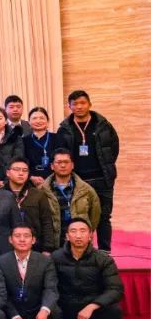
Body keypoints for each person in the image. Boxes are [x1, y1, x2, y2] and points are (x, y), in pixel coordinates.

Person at [56, 90, 119, 252]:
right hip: (78, 180)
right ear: (69, 106)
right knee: (79, 217)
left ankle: (105, 252)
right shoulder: (64, 129)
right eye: (75, 104)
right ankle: (82, 252)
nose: (79, 106)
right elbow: (60, 153)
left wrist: (107, 166)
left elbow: (113, 148)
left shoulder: (103, 125)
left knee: (104, 216)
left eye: (82, 103)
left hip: (102, 178)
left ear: (89, 104)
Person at [52, 219, 123, 319]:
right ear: (67, 236)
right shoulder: (56, 258)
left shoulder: (103, 259)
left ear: (91, 235)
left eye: (83, 231)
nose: (78, 235)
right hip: (68, 311)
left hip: (93, 310)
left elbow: (115, 289)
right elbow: (49, 287)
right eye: (73, 231)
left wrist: (92, 306)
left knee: (114, 310)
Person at [0, 225, 61, 319]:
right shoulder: (1, 261)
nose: (22, 239)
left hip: (37, 310)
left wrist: (44, 310)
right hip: (15, 311)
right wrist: (15, 316)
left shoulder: (45, 261)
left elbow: (51, 289)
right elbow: (2, 293)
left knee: (55, 311)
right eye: (17, 236)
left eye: (26, 236)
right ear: (10, 239)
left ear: (33, 240)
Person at [40, 148, 101, 247]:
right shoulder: (42, 190)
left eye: (66, 162)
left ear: (72, 165)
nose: (63, 165)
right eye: (59, 162)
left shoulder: (86, 190)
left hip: (79, 244)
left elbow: (95, 216)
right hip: (53, 245)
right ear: (52, 166)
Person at [3, 158, 57, 253]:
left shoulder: (38, 195)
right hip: (6, 248)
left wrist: (47, 248)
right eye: (16, 169)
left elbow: (47, 222)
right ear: (8, 173)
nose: (21, 173)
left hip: (35, 247)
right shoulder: (0, 194)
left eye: (25, 170)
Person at [22, 107, 63, 186]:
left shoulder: (58, 138)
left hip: (55, 180)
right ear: (29, 122)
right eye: (34, 118)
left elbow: (62, 160)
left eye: (42, 118)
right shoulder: (23, 141)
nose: (38, 121)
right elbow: (22, 162)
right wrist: (31, 177)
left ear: (47, 121)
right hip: (30, 181)